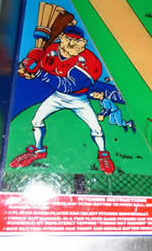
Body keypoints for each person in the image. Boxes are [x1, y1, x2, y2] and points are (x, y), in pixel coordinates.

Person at [10, 25, 115, 174]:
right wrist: (28, 65)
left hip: (79, 100)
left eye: (76, 40)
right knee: (36, 121)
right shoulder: (52, 50)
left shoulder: (89, 61)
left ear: (83, 43)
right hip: (58, 96)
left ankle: (103, 154)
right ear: (61, 38)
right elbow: (38, 64)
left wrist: (38, 72)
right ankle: (39, 151)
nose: (72, 43)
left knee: (96, 128)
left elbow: (68, 86)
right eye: (69, 39)